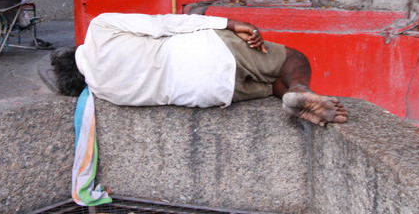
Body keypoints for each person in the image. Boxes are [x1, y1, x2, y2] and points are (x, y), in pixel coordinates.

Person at [52, 12, 348, 127]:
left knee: (271, 86)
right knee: (291, 60)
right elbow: (164, 24)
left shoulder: (103, 92)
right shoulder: (100, 28)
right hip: (205, 51)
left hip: (206, 92)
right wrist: (230, 24)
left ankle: (287, 97)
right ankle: (299, 90)